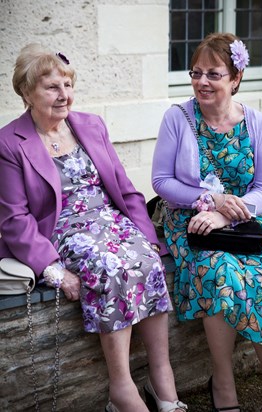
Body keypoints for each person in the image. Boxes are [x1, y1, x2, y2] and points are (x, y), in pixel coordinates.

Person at [0, 43, 188, 412]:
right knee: (111, 268)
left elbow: (123, 186)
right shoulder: (9, 142)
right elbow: (13, 217)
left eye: (67, 85)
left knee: (148, 264)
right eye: (52, 87)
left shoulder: (90, 124)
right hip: (62, 229)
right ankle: (121, 389)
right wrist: (51, 269)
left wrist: (148, 239)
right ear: (26, 92)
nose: (64, 95)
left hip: (109, 220)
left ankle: (161, 374)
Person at [152, 33, 262, 412]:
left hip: (246, 226)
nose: (202, 82)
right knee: (219, 273)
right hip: (191, 224)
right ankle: (223, 381)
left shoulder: (257, 123)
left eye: (213, 74)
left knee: (257, 283)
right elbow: (162, 182)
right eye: (196, 72)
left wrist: (227, 211)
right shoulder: (178, 119)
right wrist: (208, 202)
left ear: (235, 78)